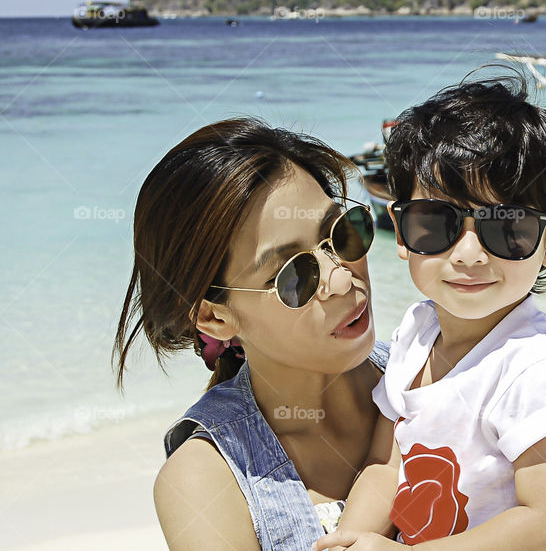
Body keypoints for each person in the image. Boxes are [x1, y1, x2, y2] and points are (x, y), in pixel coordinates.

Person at [316, 76, 546, 550]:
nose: (468, 254)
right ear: (400, 231)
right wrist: (351, 538)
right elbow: (387, 467)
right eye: (434, 223)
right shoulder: (416, 335)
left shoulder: (535, 369)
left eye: (506, 227)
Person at [113, 117, 390, 550]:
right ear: (214, 317)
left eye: (341, 234)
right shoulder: (207, 480)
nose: (340, 279)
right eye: (294, 275)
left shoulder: (438, 371)